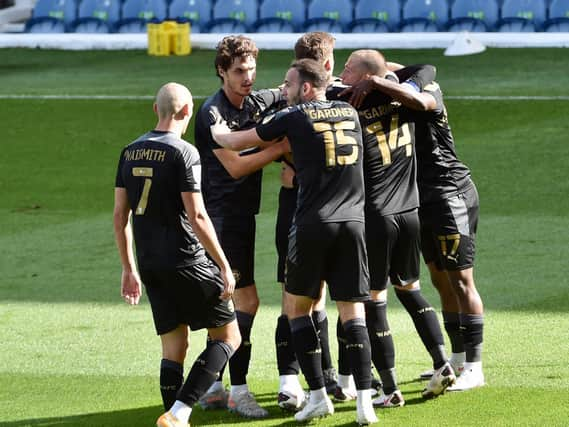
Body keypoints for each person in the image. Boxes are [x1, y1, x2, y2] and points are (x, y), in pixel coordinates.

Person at [211, 59, 378, 425]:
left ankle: (317, 395)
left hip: (312, 224)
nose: (283, 91)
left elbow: (237, 142)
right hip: (353, 223)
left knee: (297, 310)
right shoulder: (349, 111)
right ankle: (365, 405)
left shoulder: (295, 115)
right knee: (354, 314)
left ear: (305, 88)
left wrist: (219, 130)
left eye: (287, 85)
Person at [344, 60, 485, 392]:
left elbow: (425, 77)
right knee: (440, 280)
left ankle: (476, 367)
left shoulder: (427, 90)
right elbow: (388, 63)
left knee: (462, 280)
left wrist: (376, 80)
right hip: (419, 200)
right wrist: (371, 78)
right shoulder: (390, 87)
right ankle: (458, 358)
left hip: (450, 194)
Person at [112, 82, 242, 427]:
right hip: (187, 260)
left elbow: (119, 215)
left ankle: (172, 417)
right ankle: (179, 413)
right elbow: (197, 215)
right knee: (229, 336)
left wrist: (129, 268)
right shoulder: (185, 152)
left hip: (151, 264)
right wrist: (224, 266)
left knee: (174, 347)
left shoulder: (129, 151)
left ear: (156, 110)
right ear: (186, 111)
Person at [193, 35, 289, 419]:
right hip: (221, 217)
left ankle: (214, 386)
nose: (247, 77)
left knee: (226, 303)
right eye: (239, 71)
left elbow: (287, 90)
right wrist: (280, 148)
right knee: (243, 302)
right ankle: (239, 390)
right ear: (221, 71)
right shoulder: (211, 113)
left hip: (240, 217)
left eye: (251, 69)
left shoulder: (254, 100)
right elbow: (234, 167)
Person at [274, 31, 338, 412]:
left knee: (297, 293)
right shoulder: (342, 97)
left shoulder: (282, 99)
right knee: (314, 295)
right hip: (327, 205)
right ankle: (308, 378)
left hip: (294, 201)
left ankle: (299, 380)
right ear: (327, 65)